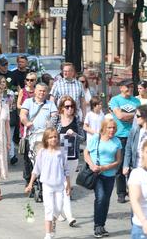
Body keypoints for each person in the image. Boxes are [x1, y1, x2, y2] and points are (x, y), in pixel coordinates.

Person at [25, 127, 70, 239]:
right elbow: (36, 169)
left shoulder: (61, 152)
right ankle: (48, 234)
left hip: (59, 185)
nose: (53, 139)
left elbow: (66, 169)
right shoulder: (42, 152)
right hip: (47, 186)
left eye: (55, 137)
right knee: (49, 208)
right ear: (46, 139)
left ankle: (53, 221)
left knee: (58, 209)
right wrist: (30, 184)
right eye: (50, 137)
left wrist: (68, 184)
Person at [84, 118, 122, 238]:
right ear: (104, 128)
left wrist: (106, 167)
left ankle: (102, 225)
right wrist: (92, 165)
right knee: (100, 198)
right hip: (97, 174)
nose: (112, 130)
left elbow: (118, 160)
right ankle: (97, 226)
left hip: (109, 175)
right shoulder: (97, 138)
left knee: (106, 200)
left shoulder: (117, 141)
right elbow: (86, 153)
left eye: (114, 128)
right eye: (109, 127)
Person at [51, 96, 85, 227]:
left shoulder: (76, 120)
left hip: (72, 157)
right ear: (61, 108)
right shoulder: (56, 119)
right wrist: (58, 136)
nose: (69, 109)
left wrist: (75, 135)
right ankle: (69, 216)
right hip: (58, 157)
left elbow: (82, 138)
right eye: (66, 106)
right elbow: (48, 135)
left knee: (65, 186)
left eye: (71, 106)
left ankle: (56, 212)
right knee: (65, 185)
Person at [108, 79, 140, 203]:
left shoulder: (136, 101)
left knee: (133, 164)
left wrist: (128, 116)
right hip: (120, 136)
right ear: (121, 88)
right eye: (127, 87)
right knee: (120, 165)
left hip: (134, 135)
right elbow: (120, 116)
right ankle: (121, 193)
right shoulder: (115, 100)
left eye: (132, 87)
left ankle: (132, 190)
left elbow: (139, 117)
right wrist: (135, 114)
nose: (130, 89)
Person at [20, 83, 57, 186]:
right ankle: (29, 181)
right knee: (28, 159)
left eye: (44, 91)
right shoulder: (28, 102)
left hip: (46, 136)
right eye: (40, 90)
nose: (42, 93)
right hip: (31, 134)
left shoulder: (50, 104)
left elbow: (54, 116)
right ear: (35, 91)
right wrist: (26, 122)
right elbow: (22, 115)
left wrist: (51, 123)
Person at [0, 76, 18, 165]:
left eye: (4, 82)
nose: (3, 84)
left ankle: (12, 156)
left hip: (9, 117)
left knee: (9, 137)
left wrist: (11, 103)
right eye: (1, 82)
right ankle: (0, 156)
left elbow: (12, 106)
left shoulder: (10, 92)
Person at [17, 72, 37, 137]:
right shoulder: (22, 91)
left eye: (31, 80)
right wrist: (26, 108)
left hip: (35, 116)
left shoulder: (37, 91)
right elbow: (18, 105)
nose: (29, 81)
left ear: (35, 81)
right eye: (27, 79)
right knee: (24, 137)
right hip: (25, 117)